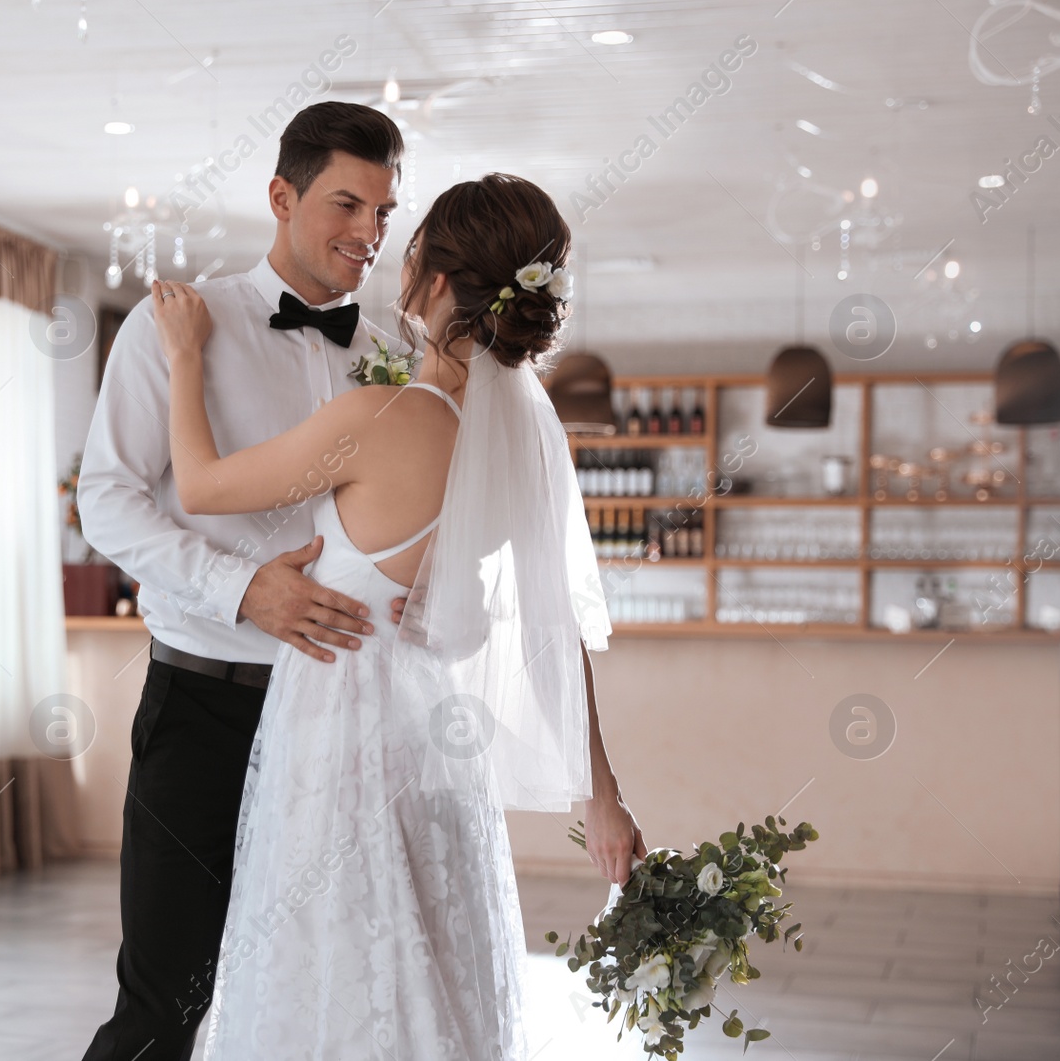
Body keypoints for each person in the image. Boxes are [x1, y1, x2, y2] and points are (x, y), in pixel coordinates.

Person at [146, 172, 646, 1056]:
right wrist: (605, 798)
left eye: (406, 247)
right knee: (433, 971)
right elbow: (552, 629)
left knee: (328, 979)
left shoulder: (379, 418)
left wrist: (184, 355)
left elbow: (201, 485)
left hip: (339, 742)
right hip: (436, 746)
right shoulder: (518, 442)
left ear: (439, 283)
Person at [76, 101, 408, 1061]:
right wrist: (239, 587)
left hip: (342, 714)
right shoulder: (179, 324)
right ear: (280, 195)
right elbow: (107, 501)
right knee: (165, 1003)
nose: (368, 234)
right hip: (205, 706)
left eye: (385, 214)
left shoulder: (391, 348)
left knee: (325, 995)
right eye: (348, 204)